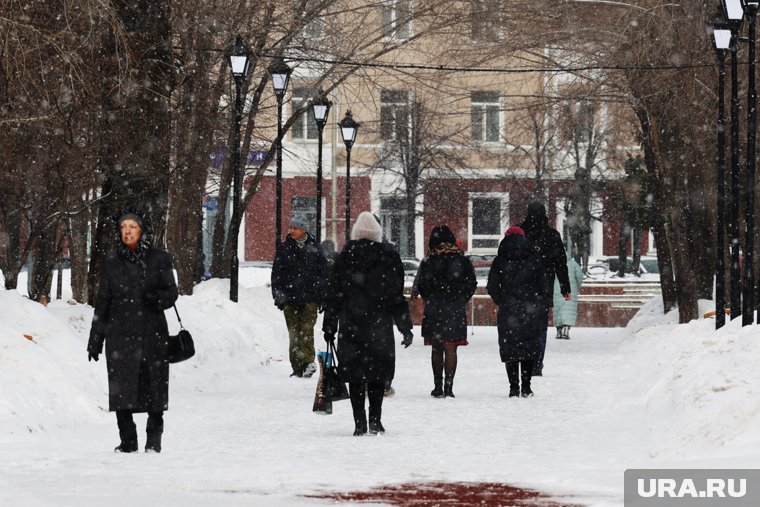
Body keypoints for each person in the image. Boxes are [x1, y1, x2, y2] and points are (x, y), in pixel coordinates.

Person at [87, 207, 179, 453]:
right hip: (119, 335)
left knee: (155, 387)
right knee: (121, 388)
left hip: (152, 334)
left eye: (133, 227)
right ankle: (128, 440)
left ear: (142, 230)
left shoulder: (160, 258)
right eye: (123, 227)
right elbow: (103, 300)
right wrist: (95, 339)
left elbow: (172, 293)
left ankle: (154, 438)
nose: (127, 232)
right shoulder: (111, 259)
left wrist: (156, 298)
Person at [322, 211, 414, 435]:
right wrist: (405, 327)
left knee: (355, 375)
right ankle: (375, 419)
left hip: (351, 323)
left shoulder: (345, 258)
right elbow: (396, 296)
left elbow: (334, 295)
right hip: (378, 325)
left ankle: (359, 423)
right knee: (376, 373)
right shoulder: (388, 258)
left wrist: (330, 325)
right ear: (377, 233)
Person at [417, 225, 477, 398]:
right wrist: (461, 299)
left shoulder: (429, 261)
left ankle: (437, 386)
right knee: (451, 348)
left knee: (436, 348)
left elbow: (422, 285)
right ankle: (449, 387)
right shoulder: (462, 261)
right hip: (455, 309)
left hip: (435, 308)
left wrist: (431, 299)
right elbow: (471, 283)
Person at [487, 226, 546, 398]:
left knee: (510, 347)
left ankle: (514, 387)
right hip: (530, 309)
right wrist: (536, 302)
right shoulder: (534, 259)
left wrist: (501, 300)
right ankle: (526, 387)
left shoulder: (500, 260)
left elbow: (492, 285)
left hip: (508, 310)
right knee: (528, 347)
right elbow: (543, 285)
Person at [271, 214, 328, 378]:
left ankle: (308, 362)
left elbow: (323, 274)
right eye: (290, 227)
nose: (291, 230)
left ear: (304, 229)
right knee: (294, 334)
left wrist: (322, 296)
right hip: (290, 298)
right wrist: (278, 296)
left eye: (295, 228)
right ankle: (297, 366)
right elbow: (277, 274)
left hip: (310, 298)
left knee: (306, 330)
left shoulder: (316, 249)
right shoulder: (284, 248)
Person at [519, 201, 571, 376]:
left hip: (522, 289)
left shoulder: (520, 233)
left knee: (523, 327)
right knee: (540, 328)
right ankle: (536, 364)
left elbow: (509, 260)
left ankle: (525, 360)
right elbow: (560, 264)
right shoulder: (552, 235)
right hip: (543, 288)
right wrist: (565, 287)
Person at [553, 255, 584, 339]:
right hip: (570, 290)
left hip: (556, 289)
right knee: (568, 309)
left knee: (558, 310)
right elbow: (580, 276)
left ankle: (559, 331)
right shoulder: (573, 264)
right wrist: (578, 286)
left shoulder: (554, 264)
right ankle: (566, 329)